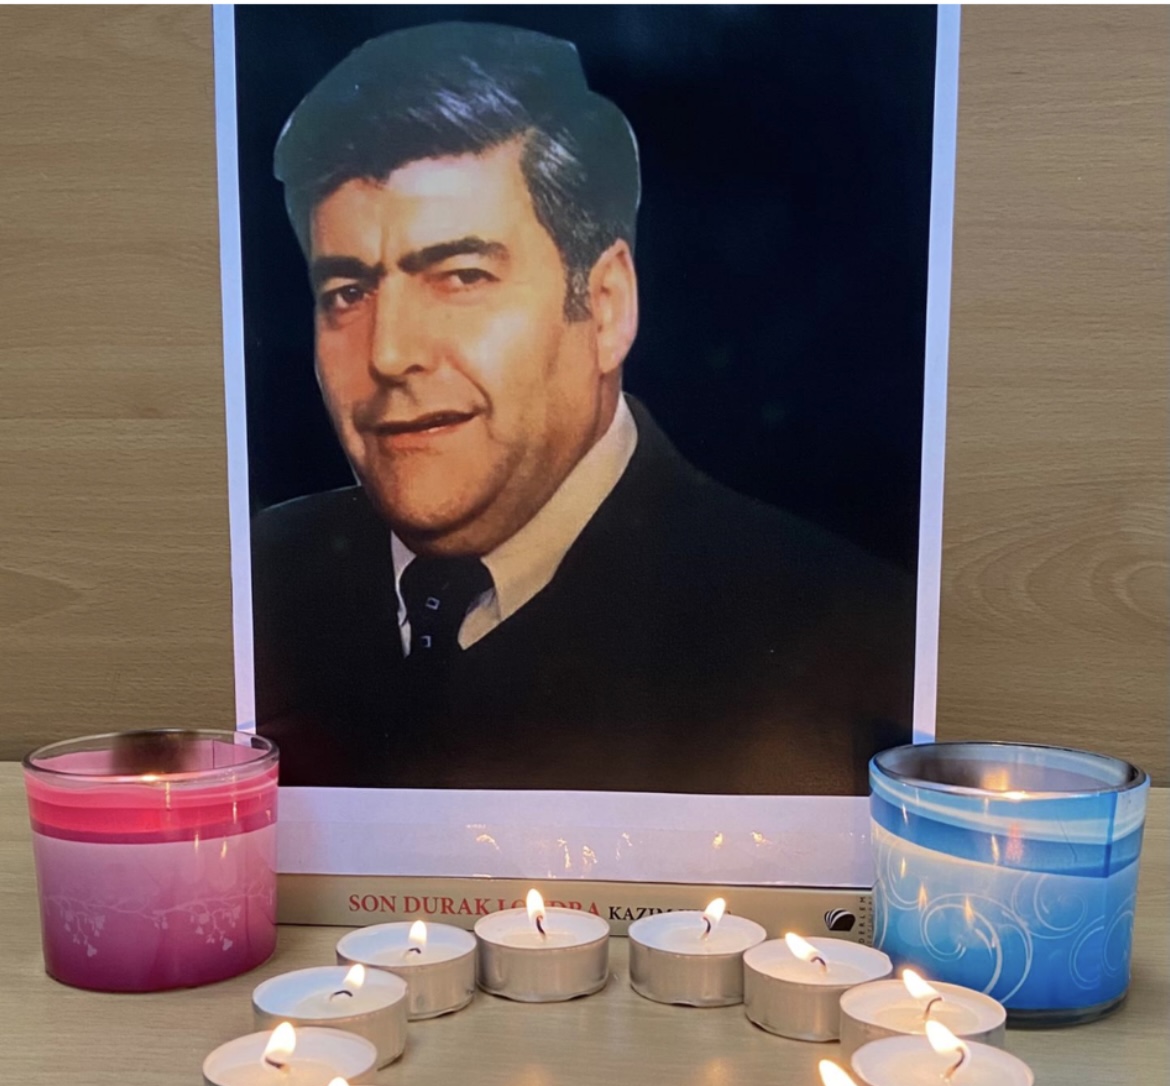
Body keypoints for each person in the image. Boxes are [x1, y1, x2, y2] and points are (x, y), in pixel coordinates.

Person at [252, 21, 915, 796]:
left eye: (462, 276)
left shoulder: (841, 641)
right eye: (346, 292)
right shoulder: (256, 585)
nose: (389, 352)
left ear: (605, 307)